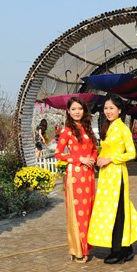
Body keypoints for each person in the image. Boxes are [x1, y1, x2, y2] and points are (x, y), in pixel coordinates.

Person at [88, 95, 137, 264]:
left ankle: (119, 251)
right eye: (106, 108)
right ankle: (126, 248)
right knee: (111, 211)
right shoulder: (108, 127)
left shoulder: (123, 128)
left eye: (112, 108)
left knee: (117, 212)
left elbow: (131, 153)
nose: (108, 111)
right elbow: (106, 150)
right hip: (106, 175)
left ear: (119, 110)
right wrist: (100, 158)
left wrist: (110, 159)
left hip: (117, 175)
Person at [54, 97, 98, 263]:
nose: (77, 112)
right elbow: (58, 154)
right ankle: (79, 250)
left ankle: (87, 247)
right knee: (78, 212)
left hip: (88, 175)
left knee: (88, 212)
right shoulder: (66, 131)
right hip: (75, 176)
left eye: (79, 108)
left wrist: (92, 159)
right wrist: (80, 160)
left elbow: (94, 149)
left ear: (84, 110)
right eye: (73, 109)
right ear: (68, 111)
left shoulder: (88, 129)